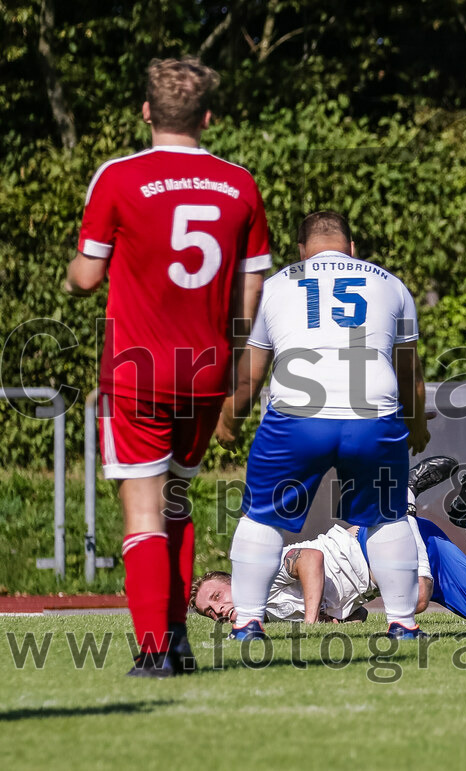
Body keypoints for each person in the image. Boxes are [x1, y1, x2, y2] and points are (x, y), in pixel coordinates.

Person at [65, 58, 271, 677]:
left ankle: (155, 650)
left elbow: (86, 275)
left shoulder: (119, 177)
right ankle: (177, 641)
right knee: (177, 498)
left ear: (147, 112)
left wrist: (78, 271)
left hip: (139, 371)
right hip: (206, 372)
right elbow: (251, 292)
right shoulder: (240, 184)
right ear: (208, 117)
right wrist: (235, 370)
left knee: (144, 510)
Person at [214, 210, 432, 642]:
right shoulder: (391, 284)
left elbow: (249, 376)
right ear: (352, 248)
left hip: (298, 417)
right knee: (387, 518)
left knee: (261, 517)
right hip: (373, 414)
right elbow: (410, 374)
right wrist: (417, 424)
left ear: (300, 250)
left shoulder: (274, 287)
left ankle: (247, 623)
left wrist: (228, 422)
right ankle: (403, 624)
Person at [191, 456, 466, 625]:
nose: (219, 609)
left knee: (414, 599)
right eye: (210, 611)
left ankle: (403, 498)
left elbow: (310, 559)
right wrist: (334, 617)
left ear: (235, 580)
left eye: (217, 596)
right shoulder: (271, 615)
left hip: (374, 541)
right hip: (414, 548)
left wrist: (311, 624)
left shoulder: (261, 573)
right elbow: (361, 614)